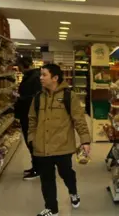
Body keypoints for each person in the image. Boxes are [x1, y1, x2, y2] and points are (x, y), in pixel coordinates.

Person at [28, 64, 91, 216]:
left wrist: (85, 141)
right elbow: (32, 120)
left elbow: (79, 119)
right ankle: (52, 208)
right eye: (41, 75)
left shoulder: (69, 96)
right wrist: (32, 139)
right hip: (42, 147)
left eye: (44, 75)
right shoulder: (38, 97)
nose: (41, 78)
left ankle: (73, 192)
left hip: (63, 145)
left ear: (55, 78)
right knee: (46, 179)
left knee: (66, 173)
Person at [14, 56, 42, 180]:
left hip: (31, 116)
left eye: (20, 66)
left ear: (25, 65)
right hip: (26, 114)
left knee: (32, 142)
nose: (19, 69)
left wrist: (20, 97)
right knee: (30, 142)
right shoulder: (30, 76)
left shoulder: (34, 78)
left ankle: (38, 169)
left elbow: (36, 98)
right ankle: (35, 166)